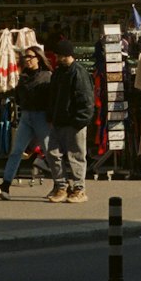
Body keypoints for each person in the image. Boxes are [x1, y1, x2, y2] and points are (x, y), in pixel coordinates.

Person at [0, 44, 52, 200]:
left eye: (30, 57)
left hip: (42, 116)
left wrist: (51, 117)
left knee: (50, 152)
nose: (27, 60)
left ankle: (60, 185)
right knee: (16, 151)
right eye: (25, 57)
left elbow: (52, 98)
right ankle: (5, 186)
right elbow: (18, 96)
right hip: (26, 116)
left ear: (38, 58)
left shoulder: (47, 75)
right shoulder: (22, 77)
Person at [45, 39, 94, 204]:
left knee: (76, 156)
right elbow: (53, 96)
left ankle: (79, 188)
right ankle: (62, 186)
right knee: (52, 154)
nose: (57, 58)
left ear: (67, 55)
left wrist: (80, 121)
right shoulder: (59, 72)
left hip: (73, 122)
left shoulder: (78, 73)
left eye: (60, 55)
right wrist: (51, 116)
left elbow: (86, 99)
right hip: (59, 120)